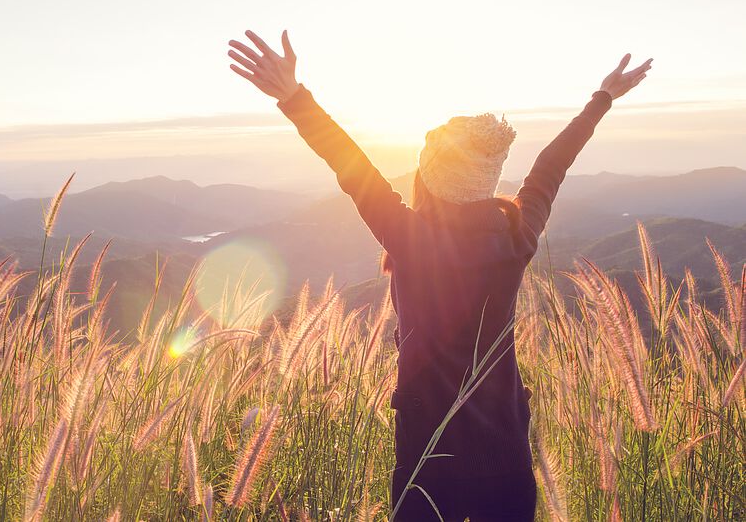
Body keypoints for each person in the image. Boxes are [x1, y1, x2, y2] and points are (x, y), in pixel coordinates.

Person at [228, 30, 651, 521]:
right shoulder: (517, 237)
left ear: (427, 177)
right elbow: (550, 168)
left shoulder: (410, 239)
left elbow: (351, 166)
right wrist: (602, 98)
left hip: (426, 461)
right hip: (506, 455)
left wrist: (294, 97)